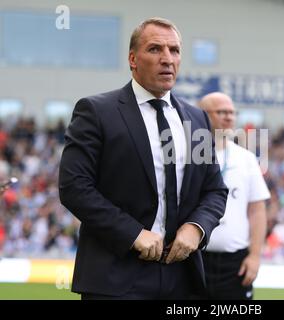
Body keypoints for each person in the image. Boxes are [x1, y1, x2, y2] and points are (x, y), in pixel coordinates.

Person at [58, 17, 228, 300]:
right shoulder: (97, 111)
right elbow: (74, 187)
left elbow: (214, 189)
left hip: (182, 278)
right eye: (155, 49)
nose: (167, 59)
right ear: (133, 59)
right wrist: (133, 233)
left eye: (174, 50)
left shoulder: (197, 119)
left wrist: (196, 228)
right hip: (114, 277)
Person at [197, 92, 270, 300]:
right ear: (201, 115)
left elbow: (257, 211)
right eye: (221, 112)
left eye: (232, 112)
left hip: (234, 264)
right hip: (193, 259)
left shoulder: (246, 158)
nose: (229, 117)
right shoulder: (185, 156)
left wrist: (255, 256)